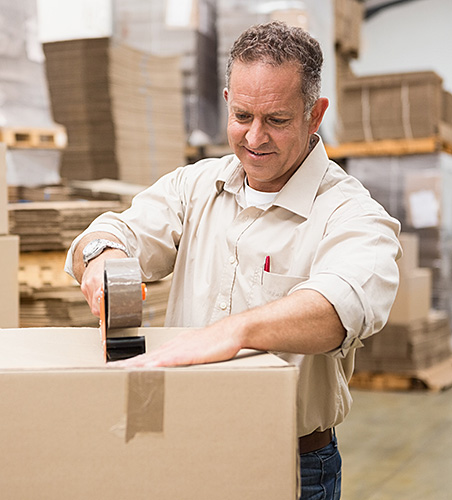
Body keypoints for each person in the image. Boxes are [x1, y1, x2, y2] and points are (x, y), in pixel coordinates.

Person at [65, 21, 401, 500]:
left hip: (291, 461)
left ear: (315, 114)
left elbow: (338, 307)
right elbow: (110, 232)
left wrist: (233, 332)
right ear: (227, 102)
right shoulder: (193, 187)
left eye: (277, 120)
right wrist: (103, 260)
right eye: (242, 115)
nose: (255, 137)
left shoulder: (354, 216)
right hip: (178, 447)